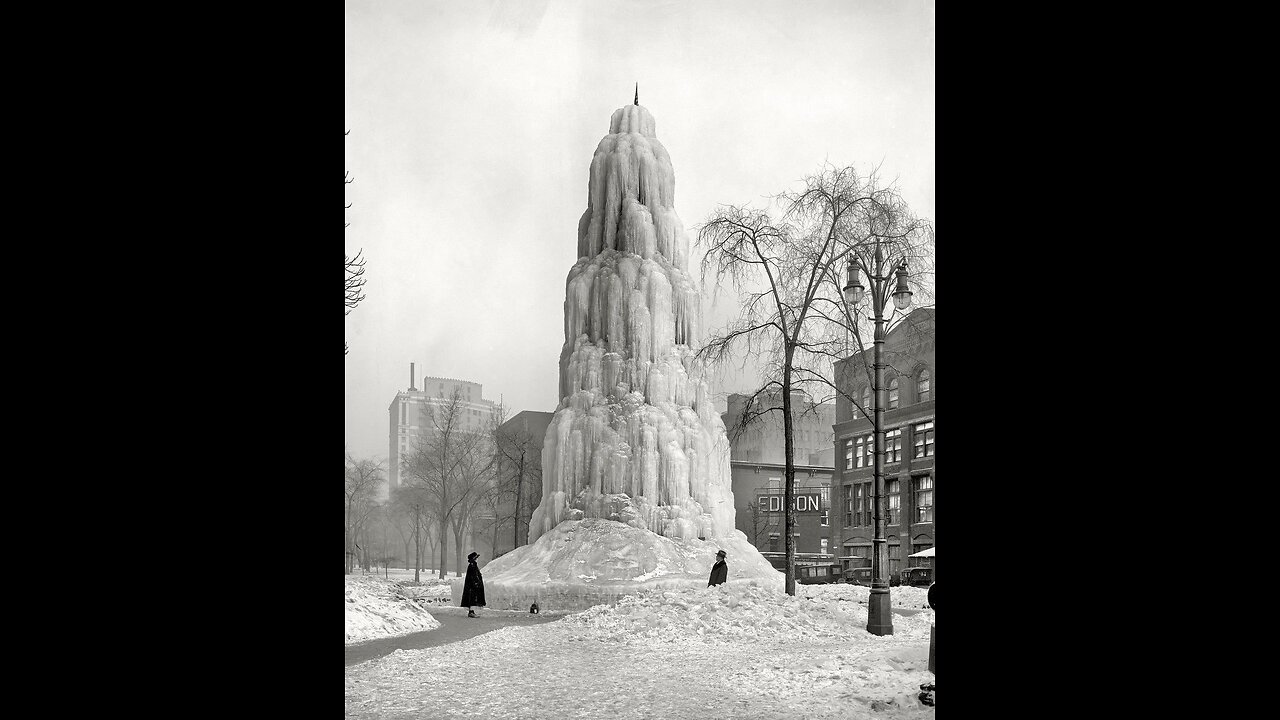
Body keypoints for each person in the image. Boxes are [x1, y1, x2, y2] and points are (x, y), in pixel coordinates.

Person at [461, 551, 486, 617]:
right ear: (474, 558)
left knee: (473, 598)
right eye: (476, 558)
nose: (477, 559)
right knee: (472, 598)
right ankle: (471, 612)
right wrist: (476, 583)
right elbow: (473, 576)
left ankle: (471, 612)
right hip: (472, 586)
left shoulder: (473, 565)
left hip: (472, 585)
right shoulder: (472, 565)